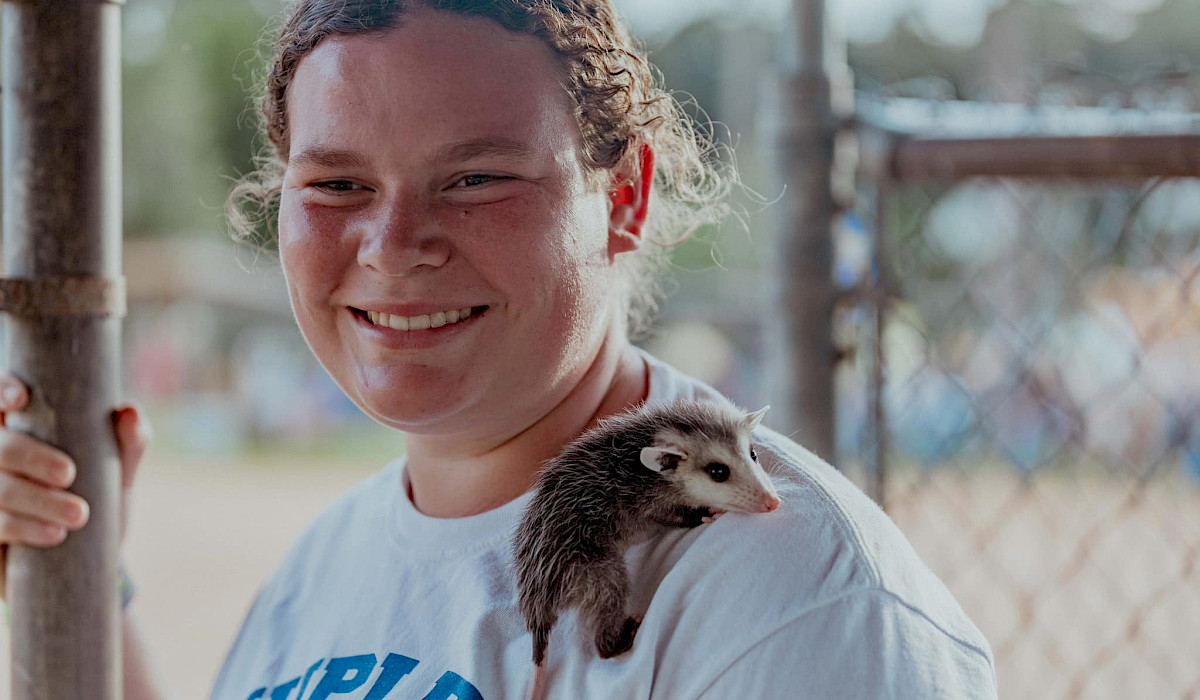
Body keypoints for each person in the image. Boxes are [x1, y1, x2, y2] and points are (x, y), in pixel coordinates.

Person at [0, 1, 999, 698]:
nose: (393, 246)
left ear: (626, 196)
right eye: (338, 185)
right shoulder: (327, 564)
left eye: (476, 178)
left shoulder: (785, 596)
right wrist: (85, 572)